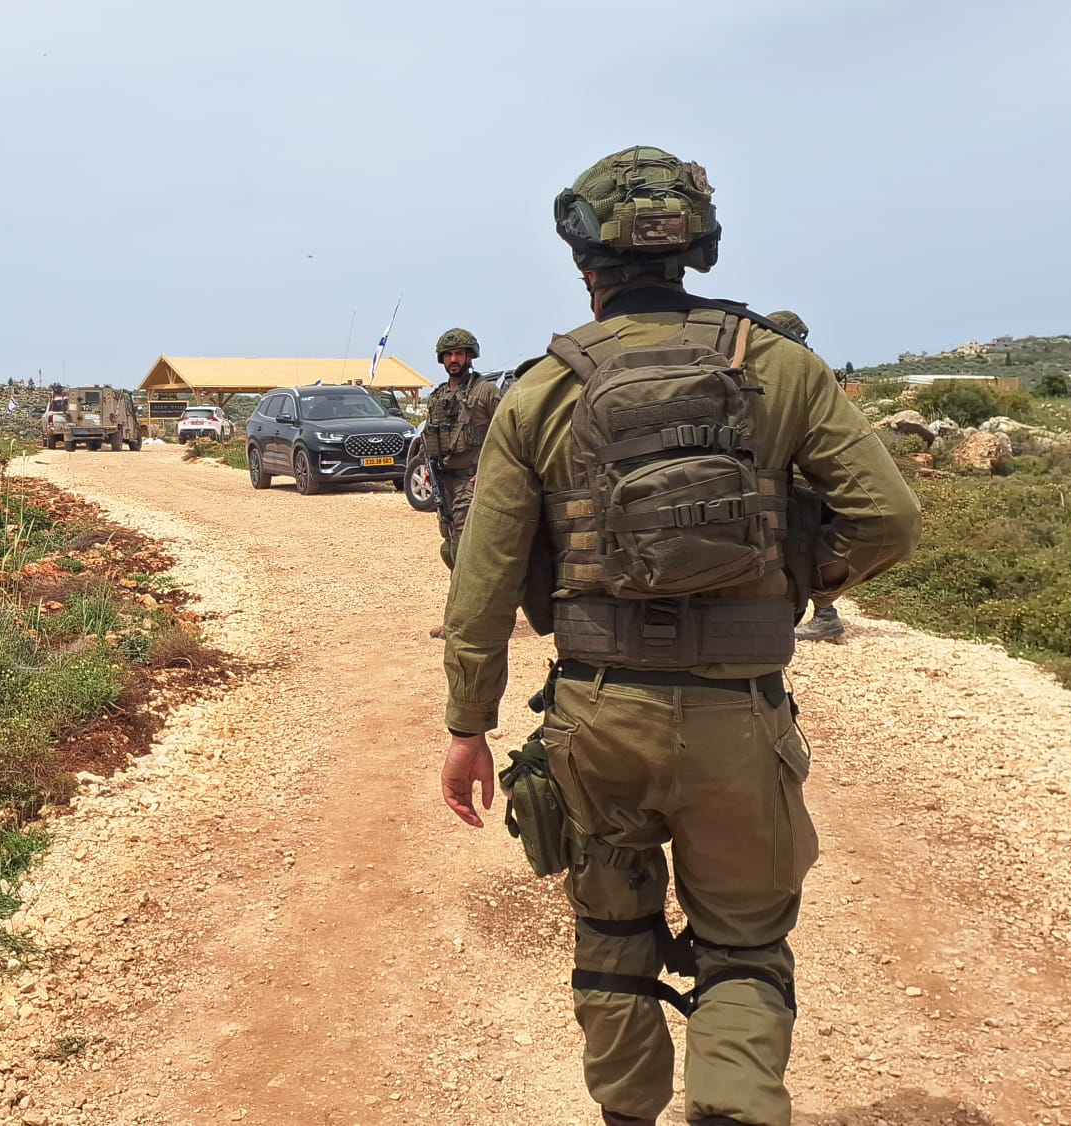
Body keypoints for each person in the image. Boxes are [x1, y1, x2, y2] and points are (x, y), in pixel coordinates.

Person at [438, 146, 919, 1126]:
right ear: (695, 250)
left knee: (610, 936)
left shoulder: (537, 389)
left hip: (595, 713)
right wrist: (797, 578)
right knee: (743, 945)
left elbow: (481, 581)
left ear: (584, 264)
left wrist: (465, 723)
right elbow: (886, 517)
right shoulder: (778, 365)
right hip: (738, 716)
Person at [763, 310, 844, 643]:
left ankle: (824, 613)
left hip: (807, 476)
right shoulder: (810, 368)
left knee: (801, 543)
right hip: (820, 474)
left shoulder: (797, 371)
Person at [422, 328, 502, 571]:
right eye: (448, 355)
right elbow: (429, 436)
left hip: (472, 480)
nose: (453, 360)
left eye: (458, 354)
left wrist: (488, 470)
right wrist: (428, 468)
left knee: (466, 543)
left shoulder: (485, 392)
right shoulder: (437, 396)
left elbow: (507, 433)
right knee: (449, 544)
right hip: (444, 480)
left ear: (470, 356)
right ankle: (461, 589)